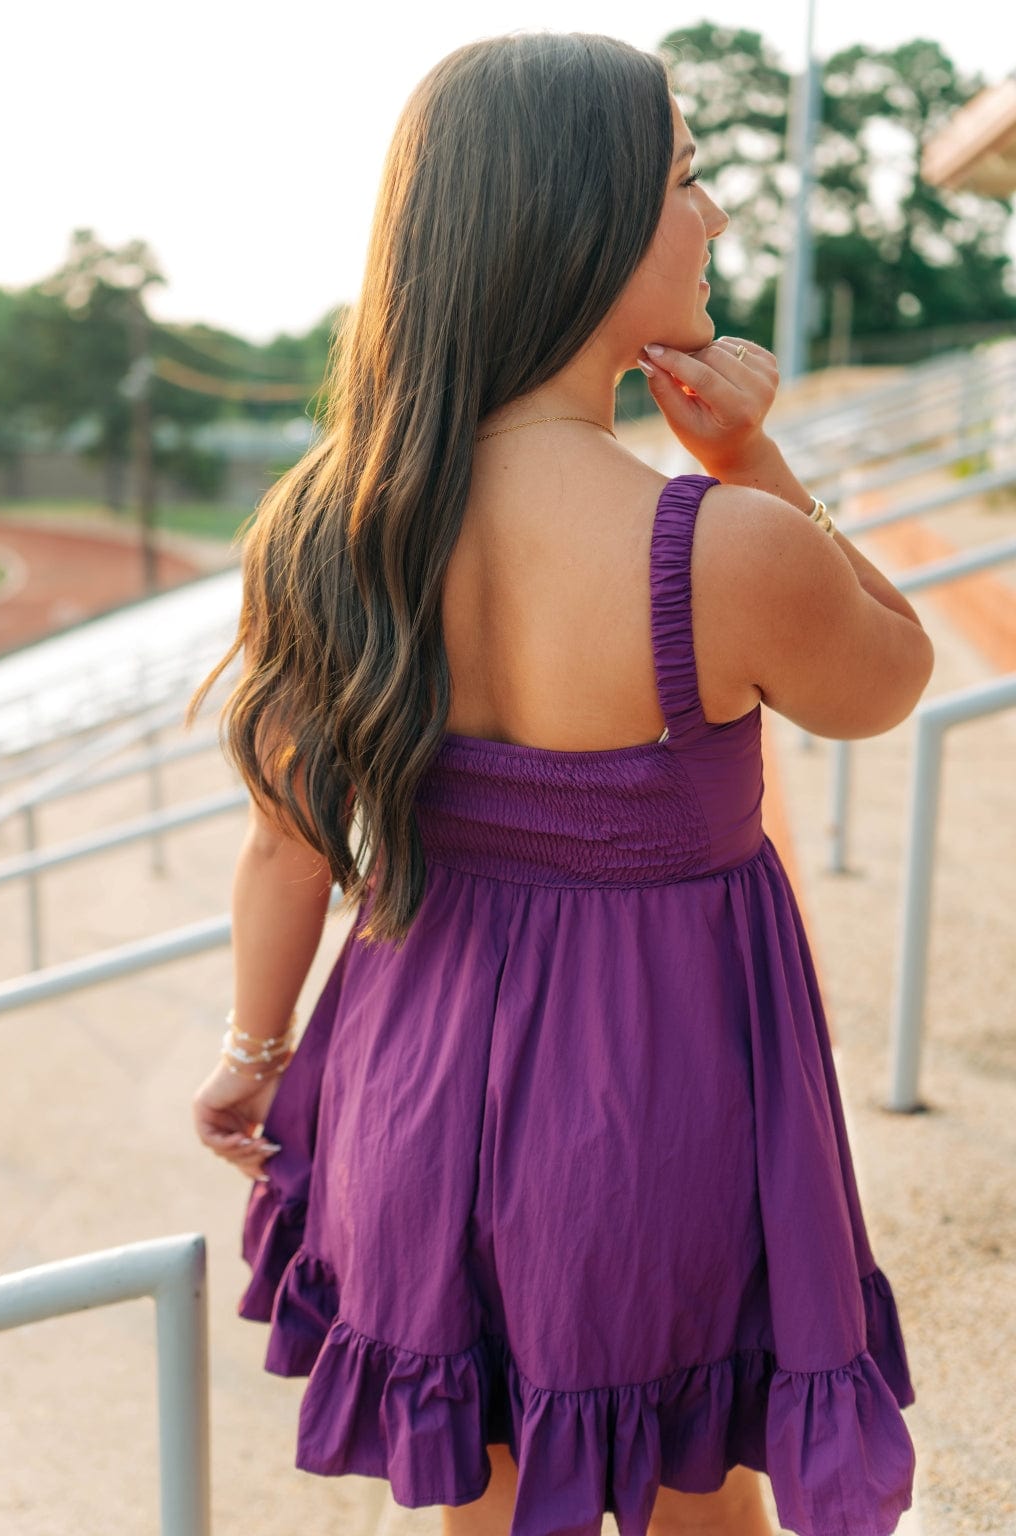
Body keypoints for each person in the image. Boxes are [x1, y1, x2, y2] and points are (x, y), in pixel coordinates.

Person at [188, 30, 931, 1536]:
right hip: (660, 1109)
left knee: (488, 1496)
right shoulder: (718, 549)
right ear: (577, 217)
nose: (716, 215)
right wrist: (756, 464)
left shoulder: (329, 526)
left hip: (413, 1097)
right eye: (687, 179)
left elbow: (286, 851)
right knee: (702, 1501)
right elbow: (889, 677)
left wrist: (254, 1055)